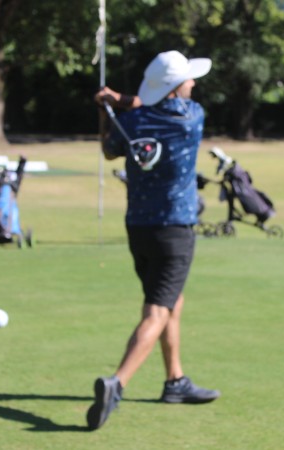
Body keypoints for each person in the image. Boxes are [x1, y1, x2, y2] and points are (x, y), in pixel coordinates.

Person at [87, 50, 220, 431]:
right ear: (176, 88)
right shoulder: (191, 117)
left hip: (138, 228)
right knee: (157, 312)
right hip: (174, 229)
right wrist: (120, 100)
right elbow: (152, 103)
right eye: (188, 79)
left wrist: (108, 108)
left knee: (170, 301)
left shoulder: (132, 120)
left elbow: (109, 149)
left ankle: (175, 381)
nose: (193, 83)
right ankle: (117, 384)